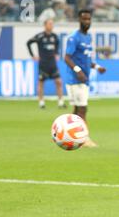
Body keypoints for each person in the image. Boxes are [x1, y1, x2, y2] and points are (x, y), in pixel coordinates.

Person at [64, 9, 106, 148]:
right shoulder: (74, 38)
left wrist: (97, 66)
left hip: (83, 79)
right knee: (82, 110)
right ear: (79, 20)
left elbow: (86, 59)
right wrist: (77, 70)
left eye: (89, 19)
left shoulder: (88, 38)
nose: (87, 22)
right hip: (75, 80)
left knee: (77, 110)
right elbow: (67, 57)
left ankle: (70, 135)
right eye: (84, 19)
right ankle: (84, 139)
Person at [26, 18, 65, 109]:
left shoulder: (55, 37)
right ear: (45, 25)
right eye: (49, 24)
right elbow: (28, 43)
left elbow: (58, 45)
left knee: (59, 82)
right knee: (41, 83)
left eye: (52, 24)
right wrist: (33, 55)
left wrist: (56, 54)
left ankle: (60, 102)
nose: (51, 26)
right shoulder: (40, 36)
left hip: (52, 63)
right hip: (43, 63)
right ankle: (41, 102)